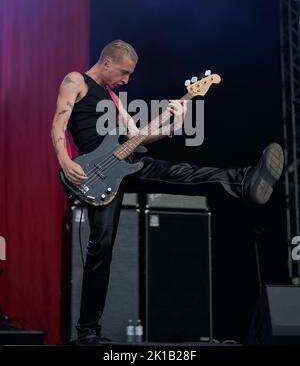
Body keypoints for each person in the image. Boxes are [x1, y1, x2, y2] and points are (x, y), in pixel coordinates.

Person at [51, 40, 284, 345]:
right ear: (106, 63)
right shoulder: (75, 81)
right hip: (96, 175)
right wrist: (65, 161)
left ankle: (244, 181)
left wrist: (179, 117)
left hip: (126, 161)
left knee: (181, 172)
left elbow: (137, 138)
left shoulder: (116, 100)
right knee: (101, 248)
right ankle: (88, 331)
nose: (127, 81)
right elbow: (58, 122)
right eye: (124, 73)